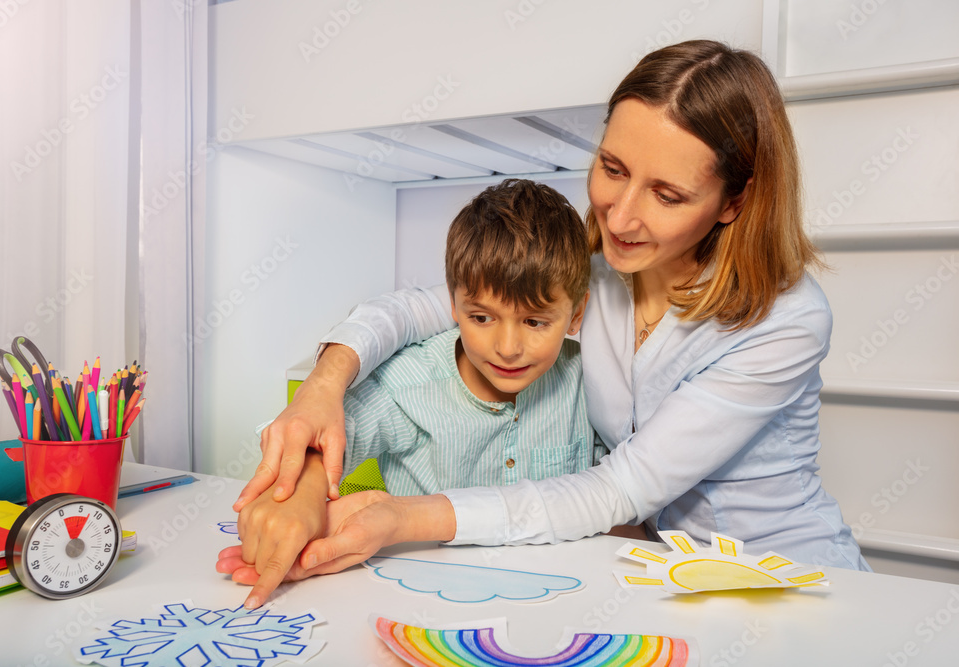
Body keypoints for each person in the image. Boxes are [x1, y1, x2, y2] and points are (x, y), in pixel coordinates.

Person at [221, 39, 870, 600]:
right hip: (664, 575)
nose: (618, 217)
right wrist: (324, 388)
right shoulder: (599, 273)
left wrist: (400, 518)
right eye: (612, 169)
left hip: (787, 574)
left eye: (667, 194)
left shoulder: (787, 320)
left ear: (735, 201)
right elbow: (423, 304)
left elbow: (622, 486)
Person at [222, 178, 609, 608]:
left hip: (558, 601)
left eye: (535, 322)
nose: (507, 347)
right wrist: (305, 493)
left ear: (576, 315)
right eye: (481, 317)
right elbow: (323, 433)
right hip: (419, 603)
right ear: (452, 307)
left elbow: (612, 493)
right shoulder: (410, 383)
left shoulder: (587, 382)